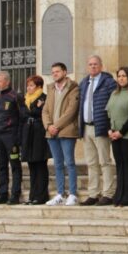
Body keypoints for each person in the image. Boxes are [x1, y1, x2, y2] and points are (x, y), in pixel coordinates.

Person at [78, 55, 117, 206]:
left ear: (101, 66)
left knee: (105, 161)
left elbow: (112, 105)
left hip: (100, 127)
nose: (93, 67)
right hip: (86, 127)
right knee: (91, 162)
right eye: (90, 64)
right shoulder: (84, 83)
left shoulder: (108, 82)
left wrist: (110, 126)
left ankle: (108, 193)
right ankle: (93, 193)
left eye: (95, 64)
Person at [42, 62, 80, 206]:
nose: (55, 74)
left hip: (67, 131)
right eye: (53, 72)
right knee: (57, 164)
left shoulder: (73, 88)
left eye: (57, 71)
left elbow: (71, 111)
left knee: (69, 162)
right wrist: (48, 126)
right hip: (51, 133)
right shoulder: (50, 89)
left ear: (65, 72)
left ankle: (73, 194)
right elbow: (45, 110)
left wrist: (56, 126)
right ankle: (60, 193)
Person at [106, 66, 128, 207]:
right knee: (119, 164)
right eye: (119, 76)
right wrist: (110, 130)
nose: (121, 78)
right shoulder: (114, 94)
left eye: (124, 76)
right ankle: (119, 195)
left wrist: (121, 132)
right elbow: (108, 113)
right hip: (114, 134)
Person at [0, 71, 22, 205]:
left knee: (15, 165)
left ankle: (15, 194)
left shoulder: (15, 97)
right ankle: (2, 193)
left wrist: (18, 137)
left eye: (0, 81)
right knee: (1, 165)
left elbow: (22, 117)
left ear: (7, 81)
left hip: (11, 136)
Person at [20, 75, 51, 205]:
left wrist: (34, 110)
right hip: (28, 134)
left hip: (39, 134)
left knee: (40, 165)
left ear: (38, 86)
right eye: (28, 85)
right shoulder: (26, 99)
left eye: (32, 85)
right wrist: (33, 110)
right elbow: (23, 113)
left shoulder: (43, 97)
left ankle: (42, 195)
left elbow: (38, 112)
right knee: (31, 166)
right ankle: (32, 195)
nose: (29, 88)